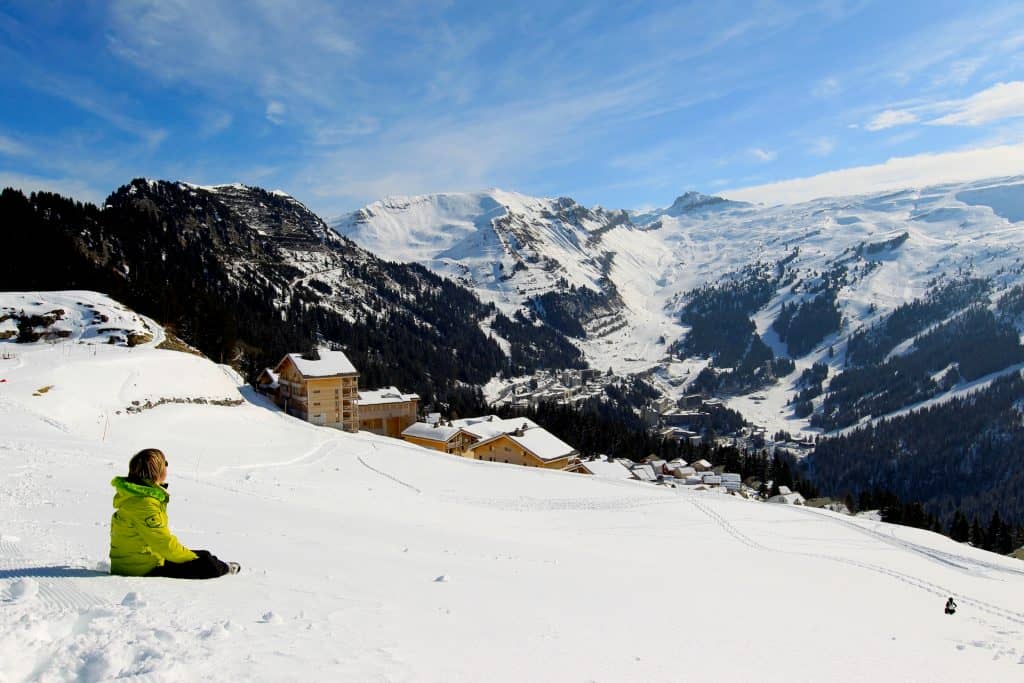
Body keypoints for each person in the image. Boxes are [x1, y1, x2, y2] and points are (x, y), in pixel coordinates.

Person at [110, 448, 240, 579]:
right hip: (140, 569)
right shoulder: (145, 503)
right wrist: (193, 558)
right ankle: (226, 568)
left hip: (135, 562)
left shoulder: (137, 496)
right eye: (165, 464)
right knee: (206, 564)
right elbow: (165, 545)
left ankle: (221, 565)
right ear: (157, 470)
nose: (166, 468)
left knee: (204, 555)